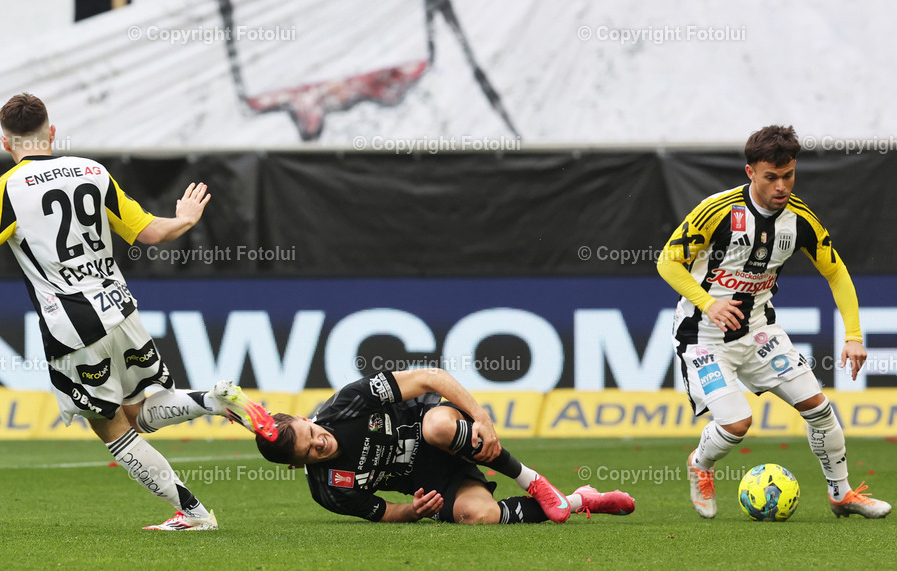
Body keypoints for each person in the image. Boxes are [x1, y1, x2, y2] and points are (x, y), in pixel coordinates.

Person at [0, 93, 277, 531]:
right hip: (121, 309)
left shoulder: (5, 189)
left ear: (6, 145)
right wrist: (183, 219)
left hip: (72, 326)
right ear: (51, 132)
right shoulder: (93, 171)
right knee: (138, 410)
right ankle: (210, 401)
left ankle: (195, 511)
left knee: (111, 427)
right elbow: (150, 233)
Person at [657, 125, 891, 519]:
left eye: (789, 175)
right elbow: (667, 261)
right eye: (772, 177)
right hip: (703, 337)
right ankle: (701, 464)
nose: (782, 186)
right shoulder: (718, 211)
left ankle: (841, 494)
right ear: (751, 172)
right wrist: (708, 303)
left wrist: (853, 335)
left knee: (819, 407)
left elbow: (836, 273)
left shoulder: (800, 219)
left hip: (760, 331)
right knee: (736, 424)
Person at [243, 368, 635, 524]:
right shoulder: (328, 489)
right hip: (435, 479)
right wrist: (413, 511)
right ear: (297, 466)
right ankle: (581, 500)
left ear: (301, 417)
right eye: (310, 451)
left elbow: (430, 377)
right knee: (477, 516)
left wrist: (480, 417)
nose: (321, 441)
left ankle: (530, 479)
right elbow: (384, 512)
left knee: (435, 428)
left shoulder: (346, 405)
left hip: (441, 424)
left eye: (311, 431)